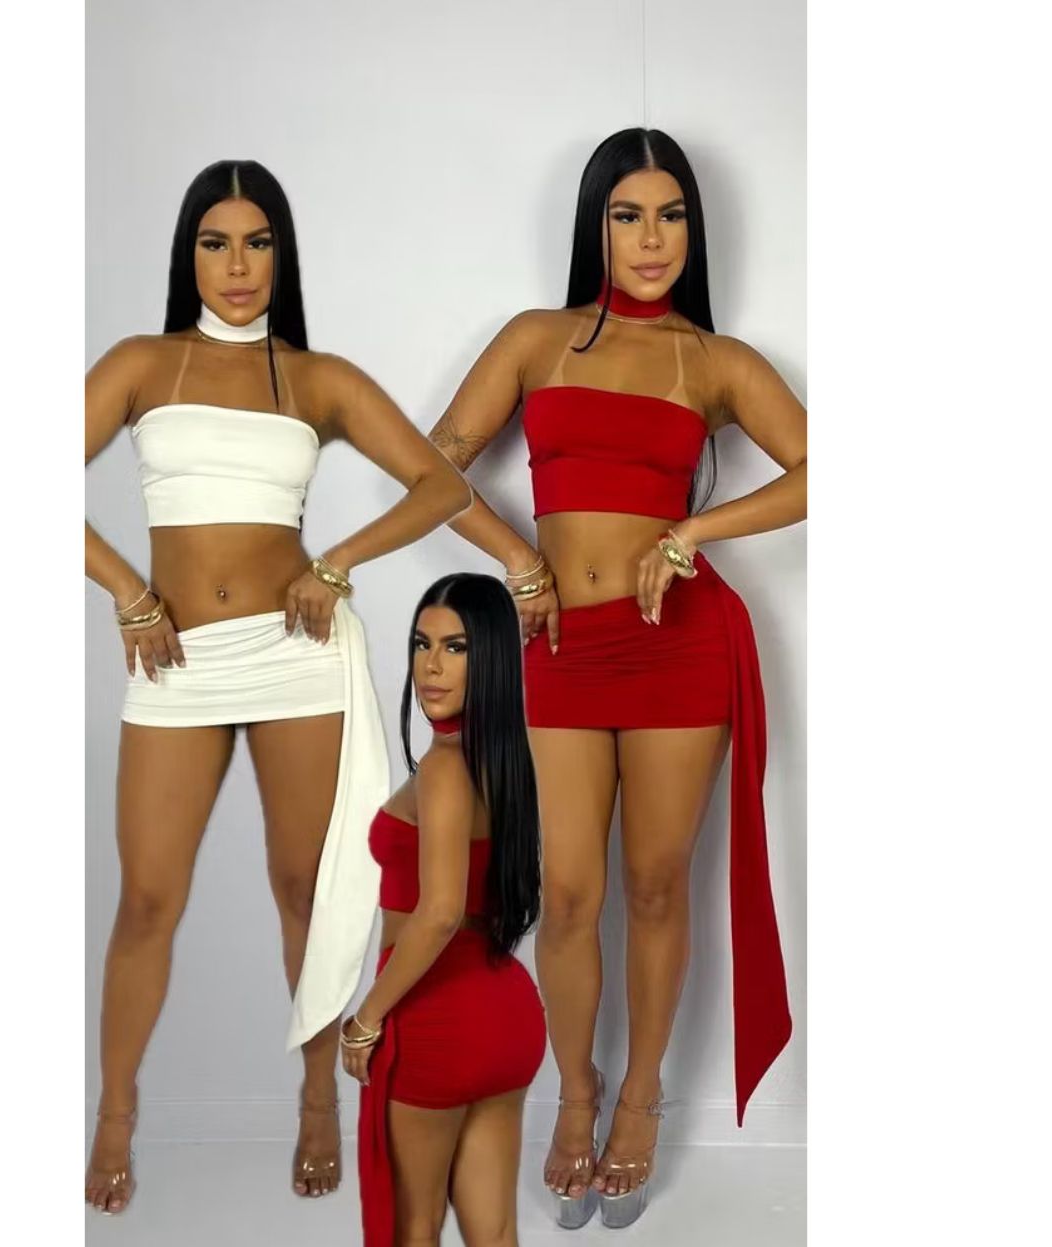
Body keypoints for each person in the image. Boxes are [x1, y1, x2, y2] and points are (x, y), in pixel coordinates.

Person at [427, 127, 804, 1228]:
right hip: (559, 647)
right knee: (568, 894)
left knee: (654, 884)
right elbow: (429, 463)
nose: (652, 238)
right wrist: (517, 558)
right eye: (628, 215)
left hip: (677, 645)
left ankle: (641, 1096)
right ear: (595, 224)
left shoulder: (713, 360)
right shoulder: (536, 339)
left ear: (694, 228)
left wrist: (693, 531)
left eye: (671, 215)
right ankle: (576, 1092)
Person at [83, 159, 472, 1212]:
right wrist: (128, 590)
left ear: (281, 254)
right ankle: (115, 1112)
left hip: (295, 653)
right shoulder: (142, 363)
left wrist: (336, 561)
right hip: (175, 659)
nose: (238, 264)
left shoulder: (314, 378)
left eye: (258, 242)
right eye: (216, 243)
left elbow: (442, 483)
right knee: (148, 898)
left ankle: (314, 1100)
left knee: (304, 888)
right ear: (189, 255)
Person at [342, 574, 546, 1247]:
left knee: (413, 1227)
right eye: (421, 643)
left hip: (436, 1018)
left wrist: (366, 1021)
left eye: (455, 647)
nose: (430, 665)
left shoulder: (445, 769)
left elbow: (439, 912)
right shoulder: (504, 760)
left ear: (490, 657)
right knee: (496, 1232)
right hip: (507, 1015)